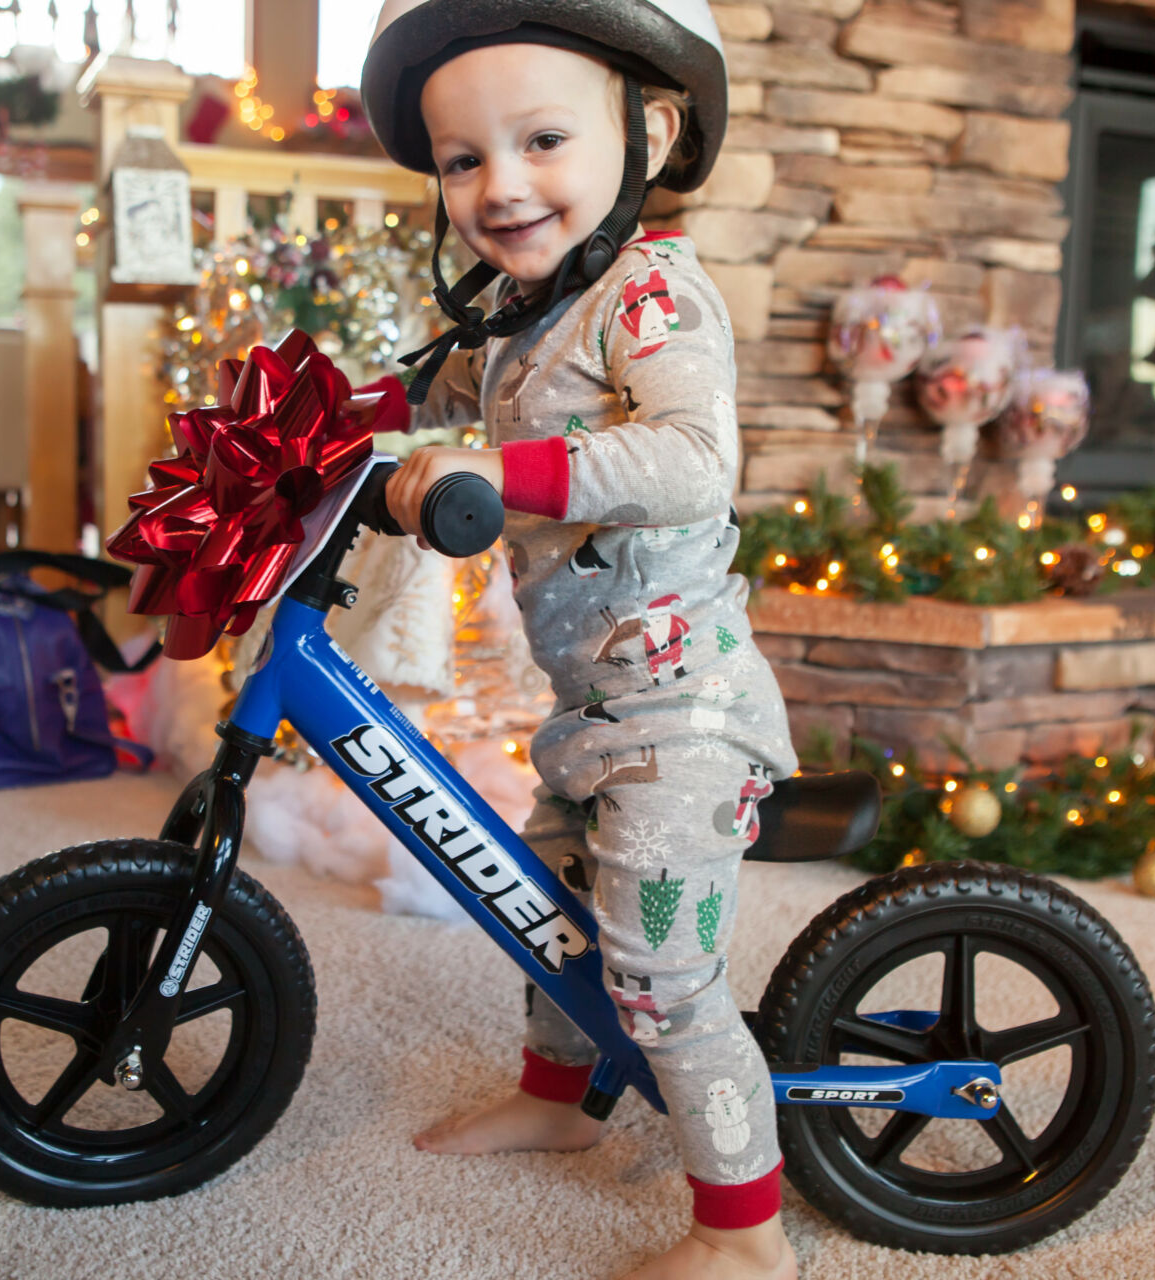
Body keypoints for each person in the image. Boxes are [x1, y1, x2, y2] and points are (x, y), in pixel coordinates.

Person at [360, 4, 800, 1278]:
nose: (500, 186)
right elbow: (430, 402)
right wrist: (341, 432)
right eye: (462, 159)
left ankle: (746, 1233)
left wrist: (501, 469)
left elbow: (691, 456)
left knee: (661, 972)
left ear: (649, 132)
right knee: (545, 917)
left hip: (682, 716)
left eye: (544, 138)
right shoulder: (509, 308)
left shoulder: (652, 294)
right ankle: (560, 1096)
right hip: (589, 713)